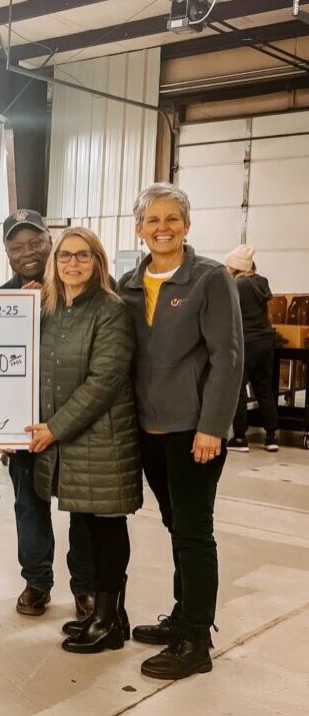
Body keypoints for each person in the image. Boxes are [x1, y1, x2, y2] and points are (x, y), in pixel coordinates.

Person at [119, 182, 242, 680]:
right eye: (153, 220)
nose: (162, 228)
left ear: (187, 225)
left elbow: (228, 357)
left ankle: (195, 638)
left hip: (194, 430)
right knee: (175, 525)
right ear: (139, 229)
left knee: (193, 532)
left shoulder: (210, 278)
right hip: (149, 428)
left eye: (172, 219)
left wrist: (212, 426)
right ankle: (182, 615)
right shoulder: (130, 283)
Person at [25, 227, 142, 654]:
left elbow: (104, 381)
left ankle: (109, 620)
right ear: (54, 263)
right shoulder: (51, 309)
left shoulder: (111, 311)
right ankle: (106, 616)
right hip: (73, 442)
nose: (72, 264)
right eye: (64, 257)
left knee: (107, 526)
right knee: (88, 526)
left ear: (98, 261)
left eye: (82, 256)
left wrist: (54, 428)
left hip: (103, 438)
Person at [0, 210, 95, 620]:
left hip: (74, 424)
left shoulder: (79, 295)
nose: (28, 252)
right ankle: (37, 582)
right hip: (24, 427)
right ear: (6, 251)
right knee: (29, 505)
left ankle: (85, 587)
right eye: (17, 245)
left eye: (36, 242)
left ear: (49, 242)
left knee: (83, 509)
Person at [224, 244, 278, 452]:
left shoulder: (237, 286)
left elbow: (229, 314)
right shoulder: (261, 282)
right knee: (264, 389)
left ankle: (239, 437)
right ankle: (271, 437)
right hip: (265, 340)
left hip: (245, 342)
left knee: (238, 389)